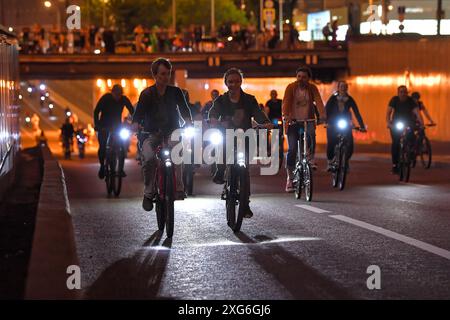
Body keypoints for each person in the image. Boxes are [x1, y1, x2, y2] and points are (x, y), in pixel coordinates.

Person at [208, 68, 273, 218]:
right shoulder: (221, 100)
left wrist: (266, 123)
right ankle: (220, 169)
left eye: (236, 81)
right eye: (230, 82)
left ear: (241, 82)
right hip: (226, 135)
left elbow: (258, 113)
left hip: (245, 136)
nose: (233, 84)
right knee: (221, 150)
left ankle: (245, 204)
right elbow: (213, 112)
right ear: (226, 83)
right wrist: (213, 120)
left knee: (244, 170)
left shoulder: (249, 100)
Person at [132, 58, 192, 212]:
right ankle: (148, 193)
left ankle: (179, 187)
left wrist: (189, 122)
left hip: (172, 132)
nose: (166, 77)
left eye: (168, 74)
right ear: (155, 75)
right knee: (149, 159)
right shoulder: (146, 94)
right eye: (163, 74)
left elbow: (185, 112)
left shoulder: (176, 92)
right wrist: (135, 125)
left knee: (178, 153)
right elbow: (137, 116)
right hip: (150, 134)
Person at [282, 66, 326, 193]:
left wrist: (323, 116)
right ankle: (290, 178)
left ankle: (311, 158)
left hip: (308, 120)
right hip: (293, 121)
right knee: (292, 149)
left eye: (304, 77)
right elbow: (286, 102)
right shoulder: (291, 88)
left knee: (311, 134)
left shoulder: (312, 88)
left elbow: (319, 102)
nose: (301, 79)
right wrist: (286, 116)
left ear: (308, 79)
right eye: (299, 76)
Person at [93, 84, 134, 179]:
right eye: (116, 94)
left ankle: (120, 169)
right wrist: (97, 125)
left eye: (119, 95)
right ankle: (102, 166)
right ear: (112, 93)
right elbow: (96, 111)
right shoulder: (105, 98)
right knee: (102, 147)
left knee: (122, 147)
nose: (117, 97)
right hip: (104, 126)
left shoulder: (123, 99)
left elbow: (132, 111)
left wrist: (136, 122)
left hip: (117, 127)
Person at [325, 81, 366, 171]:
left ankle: (345, 161)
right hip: (332, 123)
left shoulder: (350, 99)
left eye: (345, 87)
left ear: (347, 88)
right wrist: (326, 122)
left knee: (350, 144)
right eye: (341, 86)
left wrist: (362, 126)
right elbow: (326, 110)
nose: (343, 88)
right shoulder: (333, 98)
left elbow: (356, 113)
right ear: (338, 88)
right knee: (331, 142)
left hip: (346, 123)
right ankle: (330, 162)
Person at [386, 86, 423, 174]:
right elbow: (388, 113)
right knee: (395, 143)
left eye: (405, 92)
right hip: (396, 124)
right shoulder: (394, 100)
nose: (403, 94)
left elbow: (417, 113)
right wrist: (389, 123)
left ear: (407, 93)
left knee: (412, 138)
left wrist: (421, 124)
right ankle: (395, 165)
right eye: (401, 92)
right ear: (398, 93)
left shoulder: (411, 101)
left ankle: (411, 154)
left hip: (408, 123)